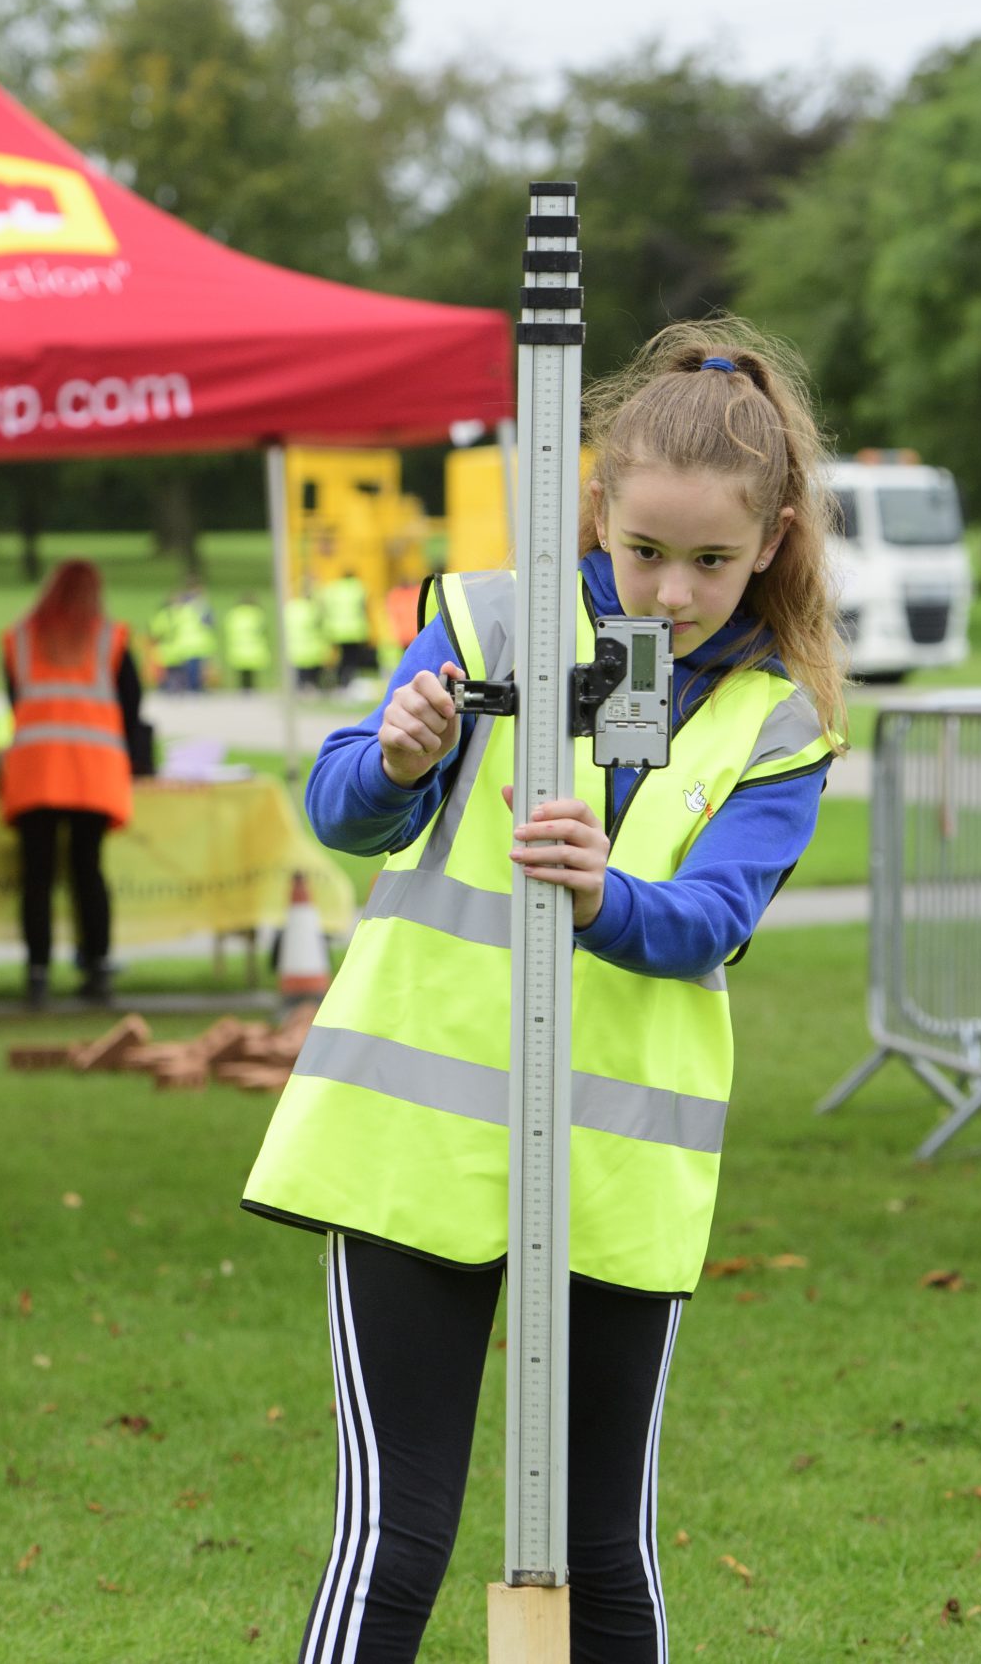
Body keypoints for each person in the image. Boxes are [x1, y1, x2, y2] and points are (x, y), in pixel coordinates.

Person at [242, 320, 848, 1664]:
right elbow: (343, 808)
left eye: (710, 559)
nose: (670, 591)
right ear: (596, 510)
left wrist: (601, 898)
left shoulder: (779, 724)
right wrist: (395, 755)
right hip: (412, 1146)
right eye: (643, 552)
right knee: (395, 1536)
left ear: (775, 537)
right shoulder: (488, 616)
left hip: (620, 1174)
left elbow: (712, 921)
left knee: (604, 1555)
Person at [1, 559, 144, 1008]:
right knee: (88, 870)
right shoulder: (111, 637)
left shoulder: (20, 638)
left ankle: (37, 973)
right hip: (92, 770)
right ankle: (98, 968)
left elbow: (14, 696)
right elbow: (131, 704)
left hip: (36, 767)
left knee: (37, 876)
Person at [318, 565, 376, 681]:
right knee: (352, 657)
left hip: (337, 630)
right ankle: (349, 679)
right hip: (354, 630)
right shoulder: (358, 588)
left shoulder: (334, 588)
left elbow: (325, 607)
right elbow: (364, 609)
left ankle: (340, 679)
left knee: (342, 657)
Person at [222, 591, 273, 692]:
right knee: (252, 676)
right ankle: (251, 692)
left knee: (242, 676)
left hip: (238, 649)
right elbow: (264, 630)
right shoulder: (257, 614)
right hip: (254, 649)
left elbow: (227, 629)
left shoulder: (233, 614)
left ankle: (243, 692)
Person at [286, 586, 332, 692]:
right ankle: (311, 687)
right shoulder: (313, 608)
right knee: (311, 673)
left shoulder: (291, 607)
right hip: (311, 645)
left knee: (299, 672)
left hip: (295, 645)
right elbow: (320, 624)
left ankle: (300, 688)